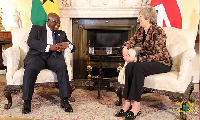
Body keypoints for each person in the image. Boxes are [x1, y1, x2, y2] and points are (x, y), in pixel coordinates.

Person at [115, 7, 172, 120]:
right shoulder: (141, 30)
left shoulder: (158, 31)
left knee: (138, 68)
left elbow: (159, 55)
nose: (138, 18)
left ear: (148, 18)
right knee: (129, 67)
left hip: (161, 62)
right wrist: (125, 48)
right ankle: (127, 103)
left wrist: (136, 59)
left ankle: (136, 106)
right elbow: (131, 41)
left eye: (140, 16)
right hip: (146, 61)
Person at [22, 13, 75, 114]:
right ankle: (27, 101)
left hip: (52, 57)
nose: (58, 24)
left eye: (59, 22)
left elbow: (73, 47)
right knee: (31, 67)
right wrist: (49, 47)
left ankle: (65, 100)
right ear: (48, 21)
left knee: (62, 66)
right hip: (38, 56)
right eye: (55, 22)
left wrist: (67, 44)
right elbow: (31, 42)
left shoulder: (61, 33)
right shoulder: (37, 29)